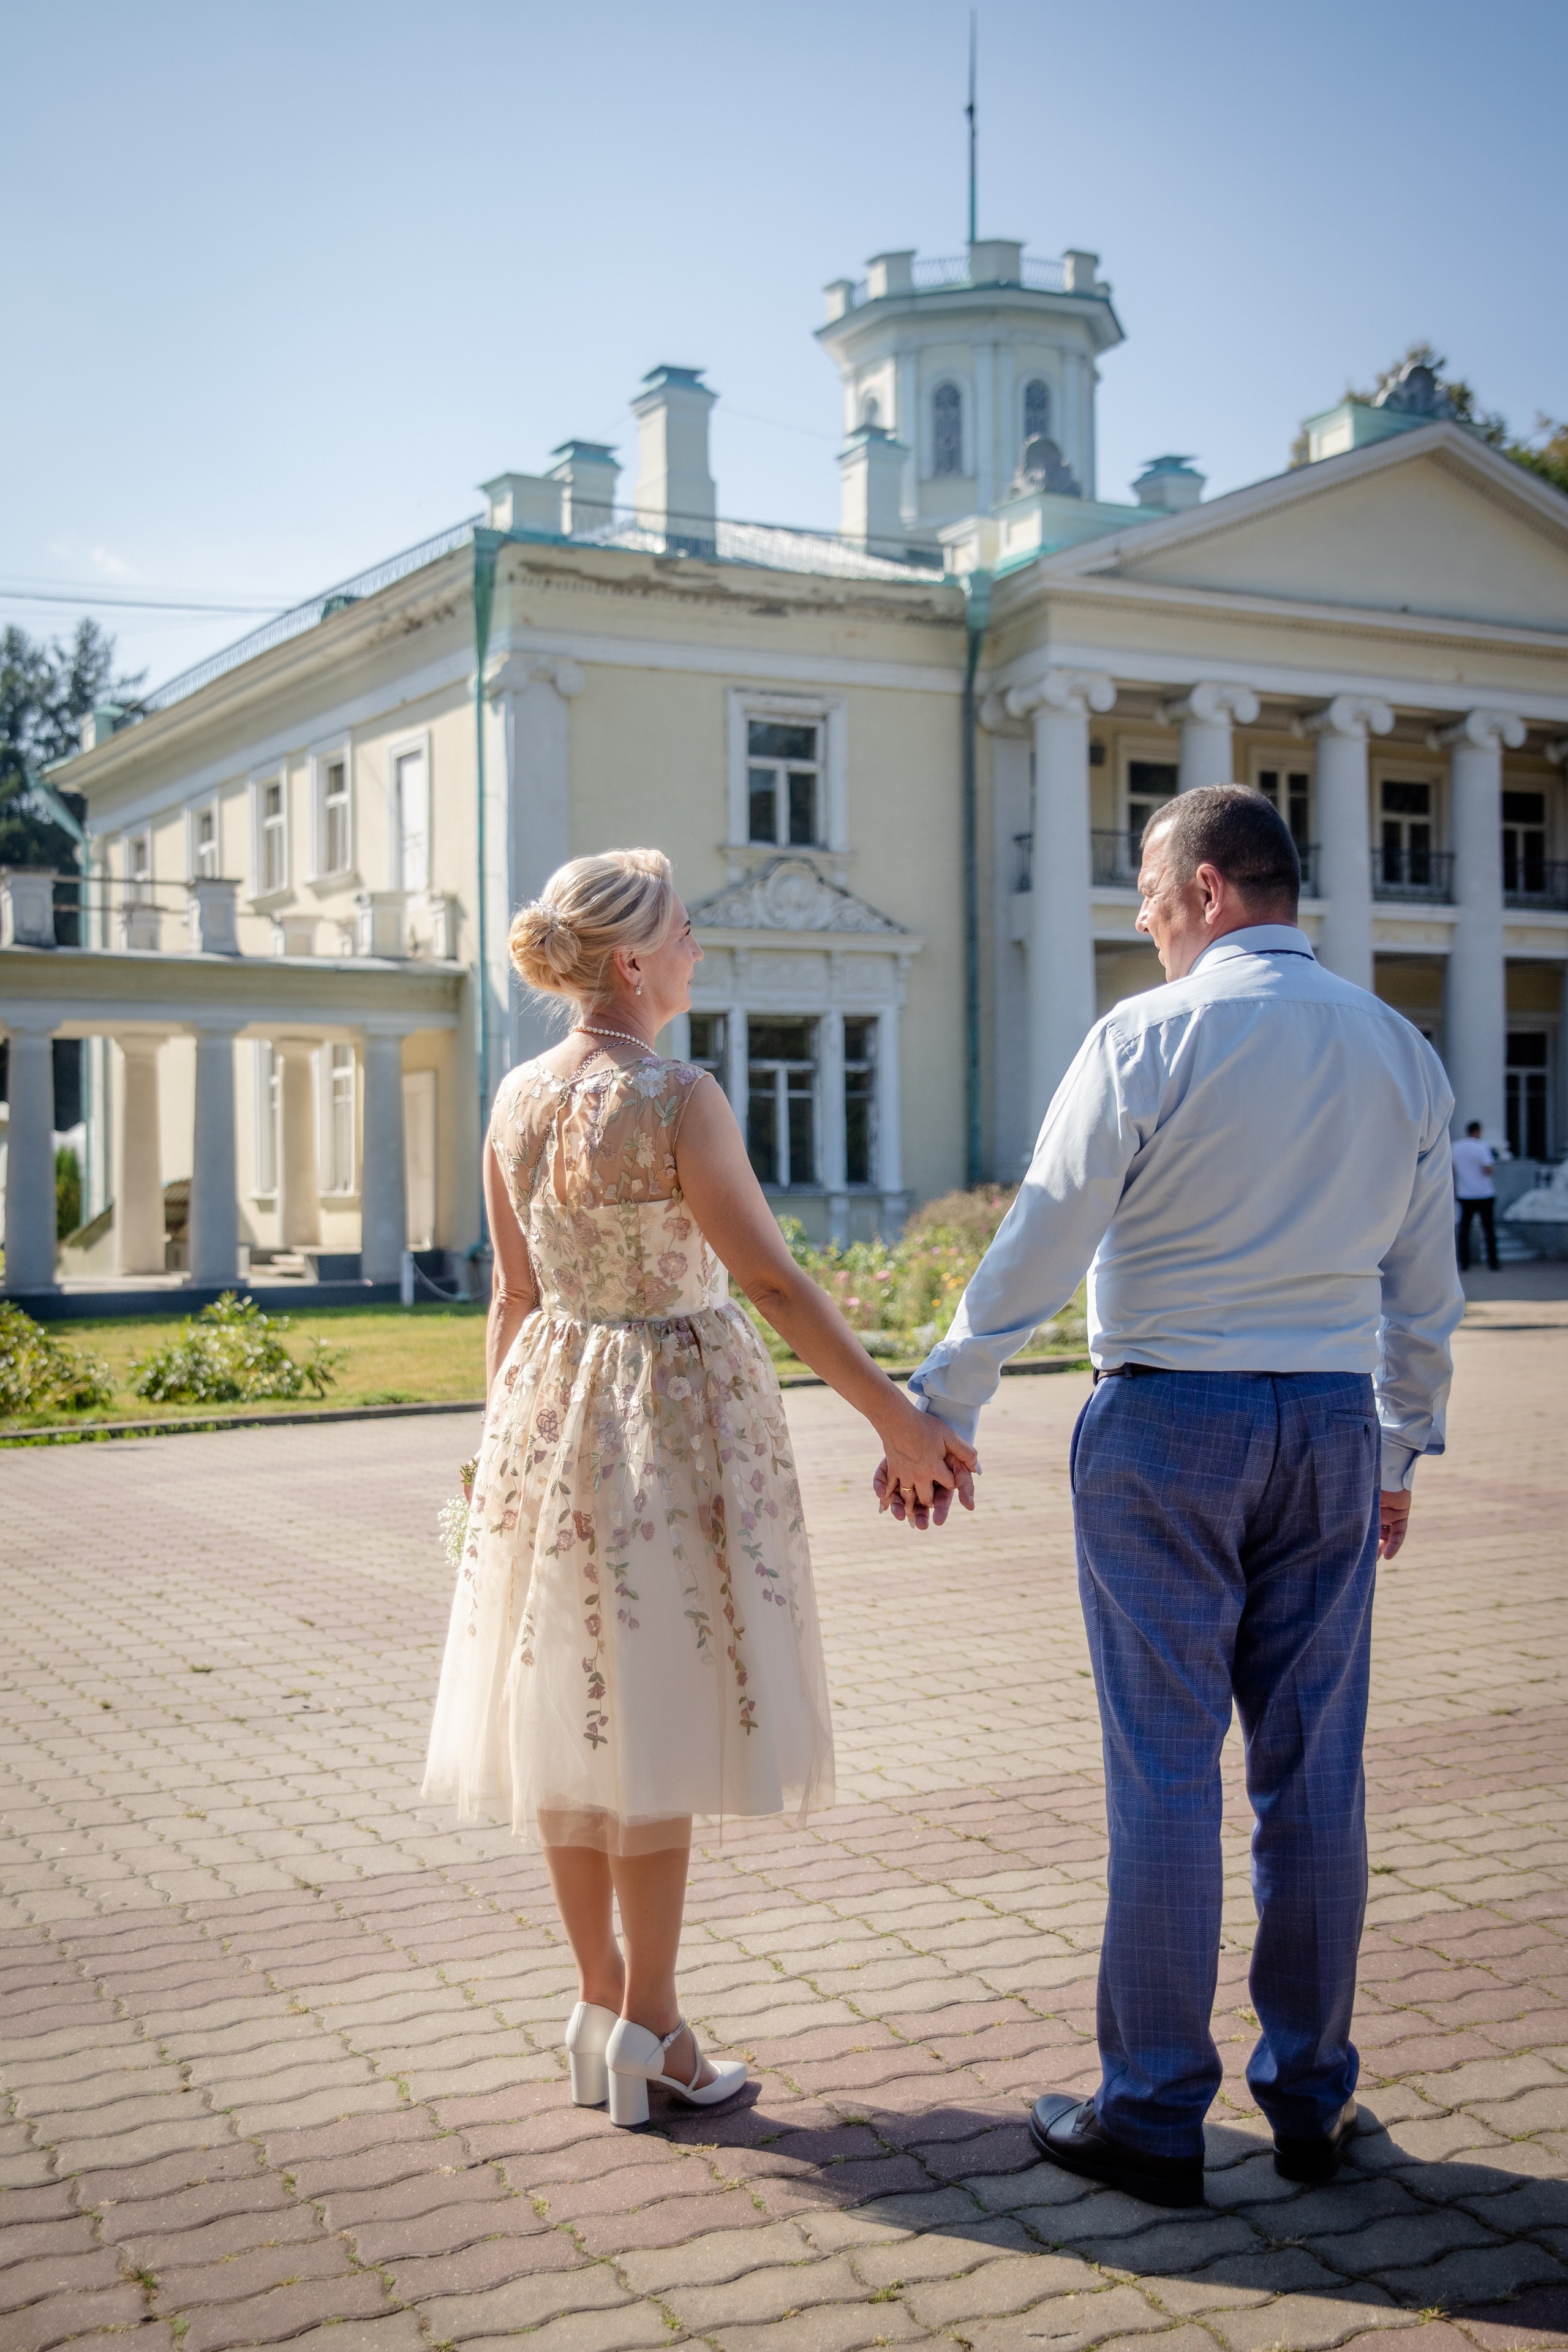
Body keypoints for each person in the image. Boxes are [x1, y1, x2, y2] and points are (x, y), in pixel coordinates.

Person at [879, 785, 1463, 2207]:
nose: (1142, 924)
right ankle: (1312, 2100)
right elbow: (1422, 1287)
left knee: (1161, 1770)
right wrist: (1394, 1452)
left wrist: (937, 1401)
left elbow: (1043, 1225)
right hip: (1325, 1424)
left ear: (1204, 887)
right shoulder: (1397, 1046)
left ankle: (1148, 2112)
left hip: (1163, 1421)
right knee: (1311, 1770)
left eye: (1145, 897)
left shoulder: (1149, 1032)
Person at [423, 848, 973, 2128]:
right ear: (631, 961)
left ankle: (596, 2004)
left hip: (547, 1412)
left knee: (571, 1705)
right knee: (657, 1714)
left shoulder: (513, 1097)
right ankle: (656, 2029)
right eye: (680, 933)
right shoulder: (678, 1095)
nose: (695, 952)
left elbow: (511, 1297)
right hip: (667, 1416)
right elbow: (773, 1285)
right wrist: (894, 1418)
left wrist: (497, 1446)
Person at [1452, 1120, 1499, 1272]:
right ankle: (1493, 1263)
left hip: (1465, 1194)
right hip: (1484, 1193)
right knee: (1489, 1230)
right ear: (1478, 1132)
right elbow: (1488, 1169)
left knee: (1464, 1230)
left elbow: (1452, 1170)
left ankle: (1464, 1263)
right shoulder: (1482, 1147)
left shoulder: (1456, 1147)